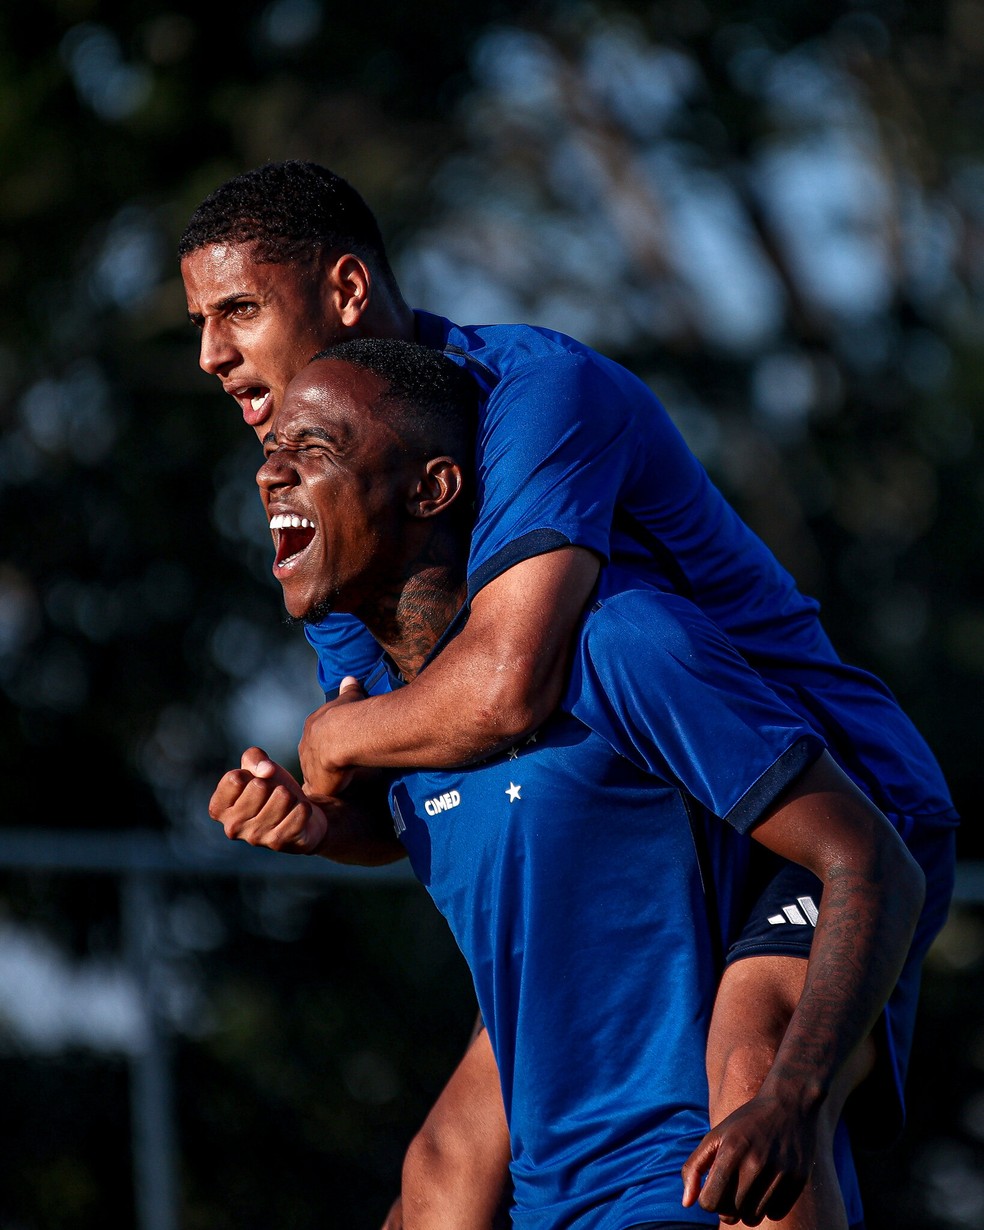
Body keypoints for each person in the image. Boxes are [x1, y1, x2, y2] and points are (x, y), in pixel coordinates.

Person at [179, 162, 958, 1228]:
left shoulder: (531, 399)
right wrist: (322, 818)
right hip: (640, 798)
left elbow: (504, 689)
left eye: (237, 310)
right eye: (201, 321)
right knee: (446, 1164)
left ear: (347, 291)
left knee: (752, 1058)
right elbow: (421, 771)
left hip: (821, 795)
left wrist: (334, 735)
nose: (213, 354)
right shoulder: (336, 521)